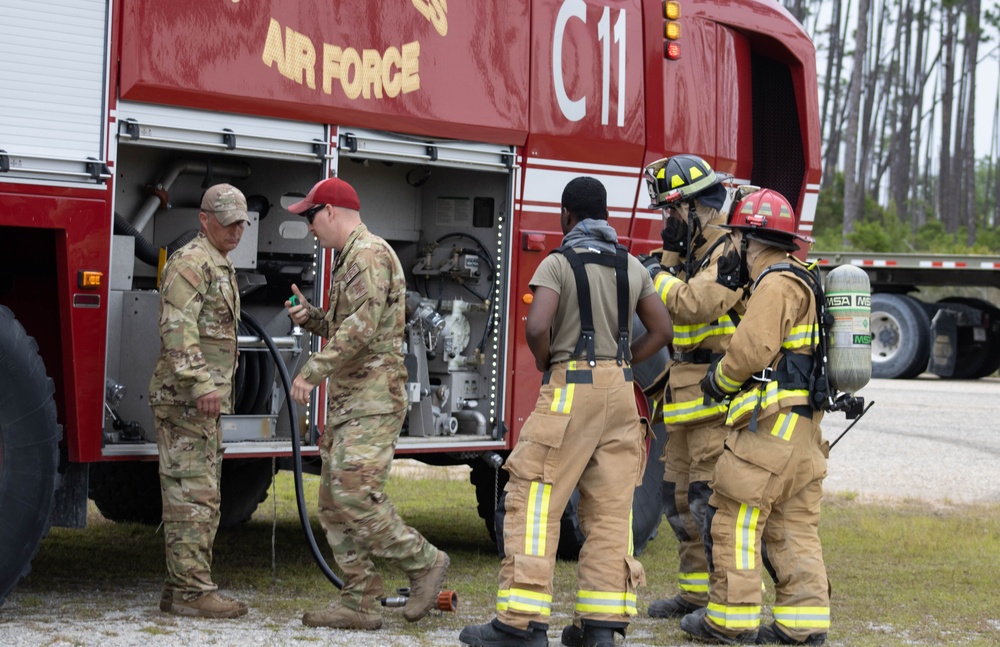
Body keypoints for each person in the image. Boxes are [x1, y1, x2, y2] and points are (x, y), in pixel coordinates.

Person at [459, 176, 673, 647]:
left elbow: (537, 325)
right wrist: (624, 362)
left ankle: (522, 624)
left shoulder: (558, 263)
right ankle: (599, 628)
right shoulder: (632, 264)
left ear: (566, 217)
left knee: (535, 500)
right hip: (621, 393)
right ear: (606, 217)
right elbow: (662, 329)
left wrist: (546, 359)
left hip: (571, 387)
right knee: (611, 512)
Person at [284, 177, 449, 630]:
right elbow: (354, 326)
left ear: (332, 212)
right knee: (333, 503)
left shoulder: (368, 255)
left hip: (372, 400)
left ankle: (424, 562)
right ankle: (358, 601)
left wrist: (310, 372)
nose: (310, 228)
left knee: (355, 494)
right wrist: (313, 318)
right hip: (352, 399)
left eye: (311, 217)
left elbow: (359, 330)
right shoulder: (352, 257)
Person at [680, 189, 830, 645]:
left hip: (772, 430)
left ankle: (730, 620)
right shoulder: (804, 277)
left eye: (738, 241)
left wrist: (717, 381)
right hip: (804, 434)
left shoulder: (777, 282)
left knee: (735, 518)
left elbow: (750, 350)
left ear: (750, 241)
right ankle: (802, 627)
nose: (733, 251)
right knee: (793, 527)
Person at [637, 154, 749, 621]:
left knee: (709, 504)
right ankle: (694, 594)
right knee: (677, 500)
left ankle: (724, 603)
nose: (667, 222)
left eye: (672, 211)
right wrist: (664, 260)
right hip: (683, 393)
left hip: (716, 396)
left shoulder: (729, 251)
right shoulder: (687, 251)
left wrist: (656, 274)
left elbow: (695, 304)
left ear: (699, 207)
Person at [149, 183, 250, 618]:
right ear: (204, 220)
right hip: (188, 400)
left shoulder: (218, 262)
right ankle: (193, 593)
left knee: (197, 492)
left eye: (241, 223)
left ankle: (181, 588)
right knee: (194, 494)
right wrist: (201, 384)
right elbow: (178, 327)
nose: (236, 231)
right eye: (227, 223)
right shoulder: (193, 262)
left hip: (200, 402)